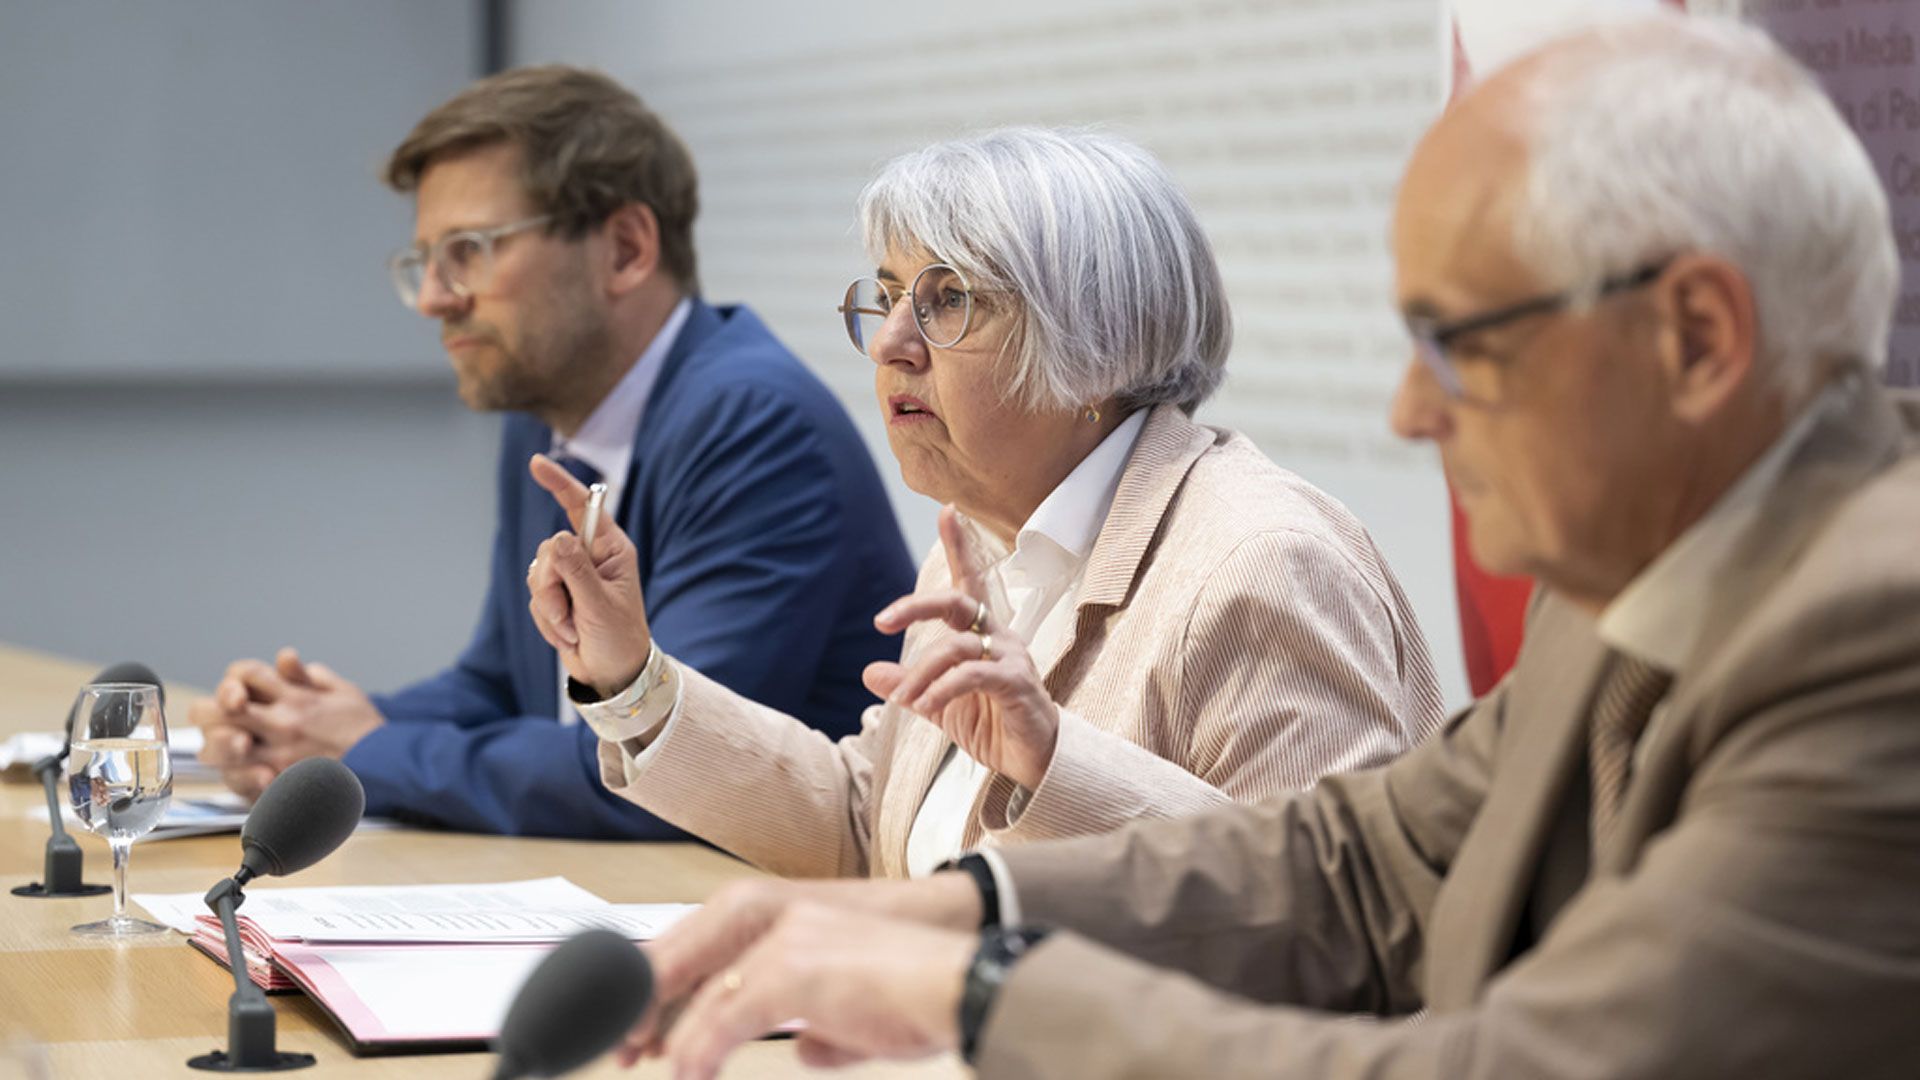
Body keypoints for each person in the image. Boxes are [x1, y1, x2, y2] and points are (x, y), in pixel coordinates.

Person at [599, 16, 1920, 1079]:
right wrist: (960, 914)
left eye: (1460, 343)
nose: (1409, 413)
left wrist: (981, 989)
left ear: (1696, 339)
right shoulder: (1630, 581)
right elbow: (1363, 861)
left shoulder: (1878, 641)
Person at [527, 127, 1444, 880]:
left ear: (1098, 340)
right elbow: (869, 826)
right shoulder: (976, 542)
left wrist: (1053, 762)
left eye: (949, 299)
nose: (890, 343)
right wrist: (631, 679)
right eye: (890, 297)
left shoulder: (1263, 562)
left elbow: (1340, 915)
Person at [188, 66, 914, 838]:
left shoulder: (757, 425)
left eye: (468, 251)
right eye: (425, 262)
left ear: (625, 250)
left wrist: (367, 750)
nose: (434, 297)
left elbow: (658, 765)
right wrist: (298, 726)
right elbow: (502, 685)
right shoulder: (550, 414)